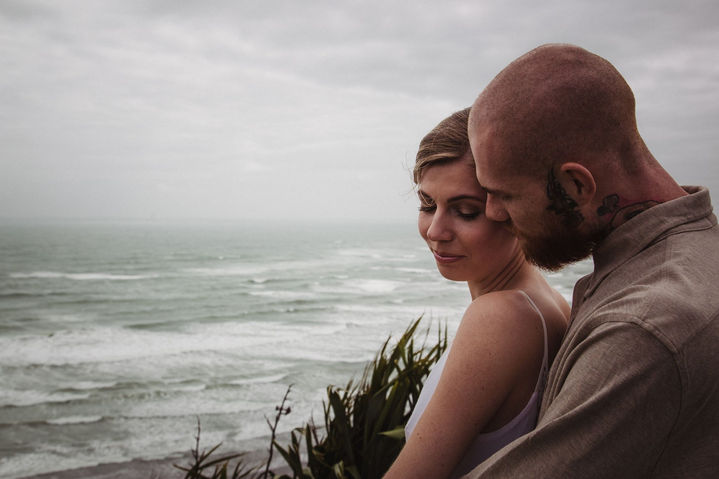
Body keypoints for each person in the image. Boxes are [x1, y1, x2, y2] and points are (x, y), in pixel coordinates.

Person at [463, 43, 719, 478]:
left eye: (504, 194)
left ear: (577, 185)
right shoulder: (696, 252)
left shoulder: (645, 327)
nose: (493, 213)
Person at [383, 108, 569, 479]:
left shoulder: (501, 316)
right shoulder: (548, 301)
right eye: (427, 205)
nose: (435, 231)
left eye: (465, 211)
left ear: (518, 209)